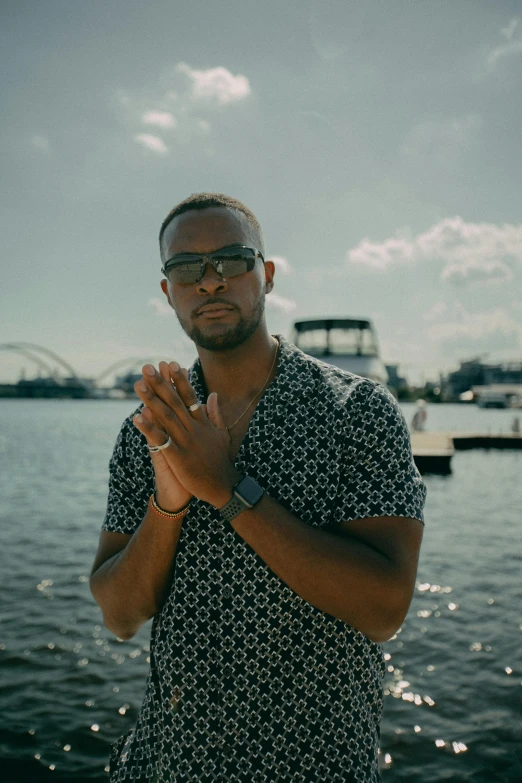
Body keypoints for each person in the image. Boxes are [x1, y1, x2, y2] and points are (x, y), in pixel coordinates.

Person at [90, 193, 427, 783]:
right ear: (168, 291)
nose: (210, 281)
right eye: (186, 268)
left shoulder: (358, 411)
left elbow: (384, 608)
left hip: (312, 766)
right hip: (168, 764)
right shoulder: (151, 427)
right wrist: (167, 503)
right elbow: (120, 615)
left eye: (230, 260)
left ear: (266, 276)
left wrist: (225, 489)